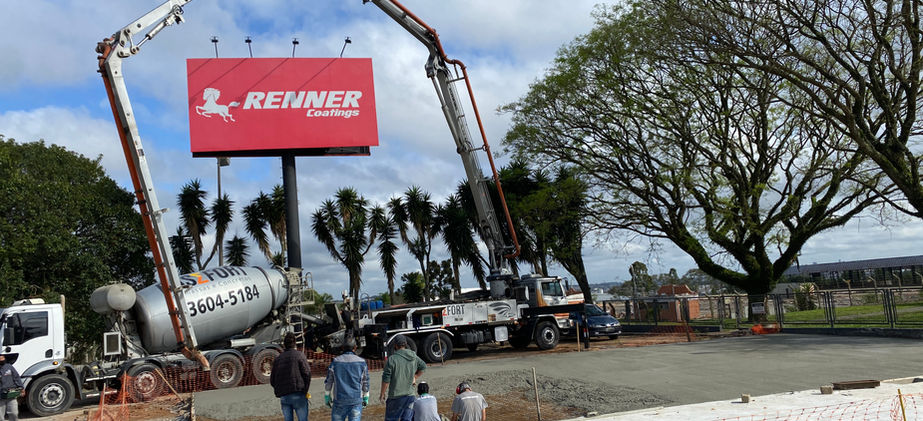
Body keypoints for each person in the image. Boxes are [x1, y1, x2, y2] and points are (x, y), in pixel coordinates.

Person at [380, 335, 426, 421]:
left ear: (395, 345)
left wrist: (382, 394)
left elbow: (386, 379)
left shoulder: (391, 359)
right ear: (405, 344)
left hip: (395, 397)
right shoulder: (413, 356)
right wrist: (415, 376)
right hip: (410, 396)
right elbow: (423, 366)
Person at [324, 336, 369, 421]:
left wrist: (327, 394)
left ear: (342, 348)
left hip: (339, 400)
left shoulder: (336, 362)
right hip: (356, 400)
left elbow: (329, 380)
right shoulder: (362, 362)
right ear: (355, 348)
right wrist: (366, 395)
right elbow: (365, 381)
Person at [270, 333, 312, 421]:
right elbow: (307, 373)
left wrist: (280, 390)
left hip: (284, 396)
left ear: (284, 344)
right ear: (295, 343)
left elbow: (273, 380)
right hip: (298, 393)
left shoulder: (278, 359)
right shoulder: (299, 355)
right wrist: (305, 390)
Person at [0, 355, 22, 421]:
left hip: (11, 393)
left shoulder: (9, 367)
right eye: (0, 358)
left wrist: (21, 387)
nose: (1, 360)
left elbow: (16, 377)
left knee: (14, 413)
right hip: (0, 396)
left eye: (2, 358)